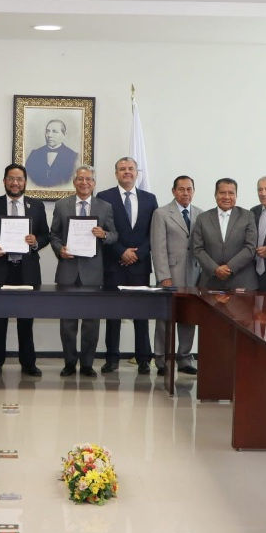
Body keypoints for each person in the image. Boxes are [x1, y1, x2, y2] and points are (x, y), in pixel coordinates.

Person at [0, 163, 50, 377]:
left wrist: (36, 242)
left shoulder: (36, 206)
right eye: (11, 178)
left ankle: (28, 363)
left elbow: (45, 235)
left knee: (26, 318)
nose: (15, 183)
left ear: (25, 182)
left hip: (27, 270)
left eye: (19, 179)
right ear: (4, 181)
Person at [50, 165, 118, 377]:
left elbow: (114, 235)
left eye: (88, 179)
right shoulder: (61, 205)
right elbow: (54, 235)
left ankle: (87, 364)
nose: (84, 182)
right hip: (68, 271)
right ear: (74, 182)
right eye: (80, 179)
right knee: (67, 322)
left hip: (93, 273)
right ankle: (70, 363)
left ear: (94, 183)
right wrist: (59, 249)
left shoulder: (105, 207)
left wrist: (103, 234)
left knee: (91, 322)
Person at [97, 157, 159, 374]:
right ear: (116, 173)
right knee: (113, 314)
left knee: (141, 315)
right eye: (122, 169)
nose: (127, 172)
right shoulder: (104, 197)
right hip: (114, 264)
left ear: (137, 172)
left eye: (130, 168)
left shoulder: (150, 199)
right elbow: (102, 231)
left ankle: (143, 359)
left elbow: (154, 233)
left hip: (139, 266)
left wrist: (137, 254)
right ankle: (112, 358)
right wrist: (121, 251)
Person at [151, 175, 203, 375]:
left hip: (194, 275)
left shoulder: (200, 214)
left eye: (189, 189)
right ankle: (161, 359)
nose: (185, 193)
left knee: (188, 317)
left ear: (193, 191)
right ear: (173, 191)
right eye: (181, 189)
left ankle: (184, 358)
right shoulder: (162, 213)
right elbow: (158, 247)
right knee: (165, 318)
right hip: (170, 274)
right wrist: (163, 275)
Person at [192, 178, 258, 290]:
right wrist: (215, 269)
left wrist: (229, 268)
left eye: (231, 193)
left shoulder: (248, 216)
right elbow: (198, 249)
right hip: (211, 282)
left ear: (236, 195)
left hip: (242, 282)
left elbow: (250, 247)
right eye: (222, 193)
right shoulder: (202, 218)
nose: (227, 197)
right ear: (215, 195)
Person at [25, 119, 79, 187]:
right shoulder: (34, 154)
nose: (49, 135)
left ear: (64, 134)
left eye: (54, 131)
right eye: (47, 131)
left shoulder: (73, 157)